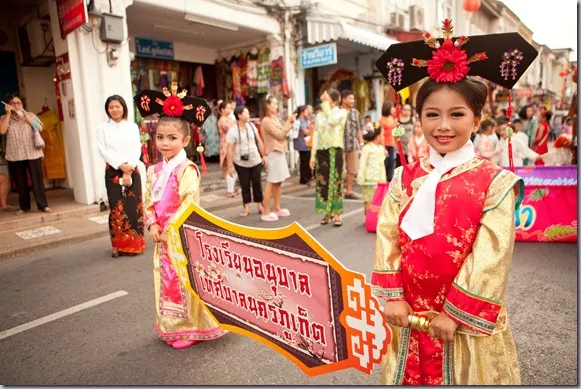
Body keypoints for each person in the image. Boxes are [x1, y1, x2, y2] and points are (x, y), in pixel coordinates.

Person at [372, 20, 536, 385]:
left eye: (457, 114)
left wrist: (456, 313)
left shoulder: (495, 183)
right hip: (409, 314)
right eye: (432, 114)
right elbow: (388, 237)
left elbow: (492, 255)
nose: (443, 125)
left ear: (477, 120)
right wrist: (394, 297)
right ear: (417, 120)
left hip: (461, 323)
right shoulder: (404, 177)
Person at [136, 85, 227, 350]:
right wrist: (152, 224)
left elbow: (189, 204)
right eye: (161, 137)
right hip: (162, 237)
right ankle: (171, 327)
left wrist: (170, 229)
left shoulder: (186, 169)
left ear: (185, 141)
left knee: (184, 282)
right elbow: (149, 201)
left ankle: (191, 328)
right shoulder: (154, 170)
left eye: (172, 138)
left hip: (180, 236)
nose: (165, 143)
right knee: (165, 281)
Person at [96, 95, 145, 258]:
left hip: (131, 169)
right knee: (116, 208)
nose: (115, 110)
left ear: (123, 107)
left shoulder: (132, 127)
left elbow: (136, 149)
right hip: (113, 171)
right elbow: (103, 150)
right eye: (111, 107)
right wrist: (120, 166)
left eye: (117, 106)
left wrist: (127, 169)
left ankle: (135, 244)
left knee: (133, 207)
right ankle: (118, 246)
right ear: (107, 110)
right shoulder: (102, 128)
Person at [0, 93, 51, 215]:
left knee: (37, 181)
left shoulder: (30, 115)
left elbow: (39, 128)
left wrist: (26, 117)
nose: (16, 106)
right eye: (13, 103)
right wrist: (8, 113)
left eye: (19, 103)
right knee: (20, 182)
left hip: (32, 152)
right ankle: (24, 206)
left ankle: (43, 206)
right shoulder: (4, 117)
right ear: (8, 105)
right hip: (15, 155)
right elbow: (2, 131)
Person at [310, 89, 348, 227]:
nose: (323, 102)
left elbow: (332, 121)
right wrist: (312, 155)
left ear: (334, 101)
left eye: (326, 99)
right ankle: (327, 211)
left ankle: (337, 213)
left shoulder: (341, 112)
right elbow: (316, 134)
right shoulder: (319, 116)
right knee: (323, 182)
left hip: (335, 149)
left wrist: (325, 106)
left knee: (336, 180)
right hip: (321, 151)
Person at [227, 106, 266, 217]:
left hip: (255, 160)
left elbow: (259, 141)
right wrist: (230, 166)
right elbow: (229, 150)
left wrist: (264, 155)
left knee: (257, 183)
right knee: (245, 185)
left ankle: (260, 205)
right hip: (240, 162)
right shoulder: (233, 131)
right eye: (246, 113)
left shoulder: (252, 126)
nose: (249, 115)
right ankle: (246, 208)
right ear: (239, 115)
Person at [260, 95, 295, 222]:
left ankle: (277, 208)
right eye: (274, 103)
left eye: (276, 103)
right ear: (267, 105)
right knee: (271, 182)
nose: (276, 106)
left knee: (278, 182)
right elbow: (280, 134)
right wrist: (289, 122)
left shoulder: (274, 119)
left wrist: (288, 123)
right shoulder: (266, 121)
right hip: (273, 152)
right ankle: (266, 211)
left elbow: (281, 132)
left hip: (279, 151)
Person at [356, 127, 386, 216]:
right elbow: (362, 164)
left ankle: (376, 218)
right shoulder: (367, 148)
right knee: (368, 200)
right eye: (382, 135)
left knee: (379, 200)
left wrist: (383, 179)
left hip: (380, 179)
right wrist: (361, 177)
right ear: (377, 137)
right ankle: (368, 217)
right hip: (369, 179)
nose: (383, 137)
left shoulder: (381, 148)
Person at [341, 89, 363, 199]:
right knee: (340, 170)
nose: (352, 100)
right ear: (343, 99)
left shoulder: (355, 112)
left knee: (352, 169)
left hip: (353, 144)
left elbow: (359, 129)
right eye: (350, 98)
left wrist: (361, 142)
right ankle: (339, 191)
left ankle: (349, 191)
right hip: (340, 145)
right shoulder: (338, 112)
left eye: (353, 98)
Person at [218, 101, 238, 197]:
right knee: (229, 166)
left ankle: (232, 188)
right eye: (228, 108)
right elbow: (232, 129)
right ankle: (230, 190)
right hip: (226, 146)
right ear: (222, 109)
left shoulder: (228, 119)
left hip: (231, 145)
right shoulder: (222, 120)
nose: (230, 110)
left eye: (231, 108)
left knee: (232, 167)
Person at [294, 105, 313, 185]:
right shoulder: (299, 121)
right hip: (302, 144)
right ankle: (303, 178)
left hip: (306, 143)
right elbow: (306, 132)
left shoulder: (304, 120)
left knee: (306, 160)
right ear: (302, 112)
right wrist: (311, 129)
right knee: (304, 161)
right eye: (305, 111)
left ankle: (308, 176)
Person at [379, 102, 397, 181]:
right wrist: (383, 148)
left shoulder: (393, 118)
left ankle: (390, 181)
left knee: (391, 164)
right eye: (392, 107)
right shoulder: (382, 120)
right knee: (385, 164)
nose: (393, 108)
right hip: (385, 145)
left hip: (392, 144)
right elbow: (381, 135)